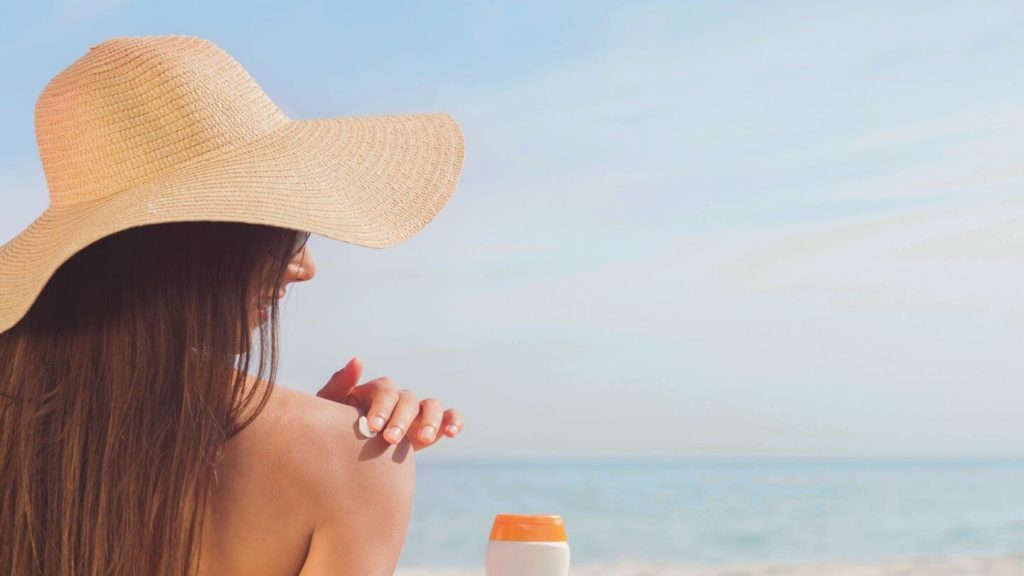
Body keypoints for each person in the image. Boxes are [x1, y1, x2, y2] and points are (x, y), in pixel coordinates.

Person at [0, 35, 466, 576]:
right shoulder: (355, 462)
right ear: (199, 244)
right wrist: (330, 452)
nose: (304, 267)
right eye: (282, 232)